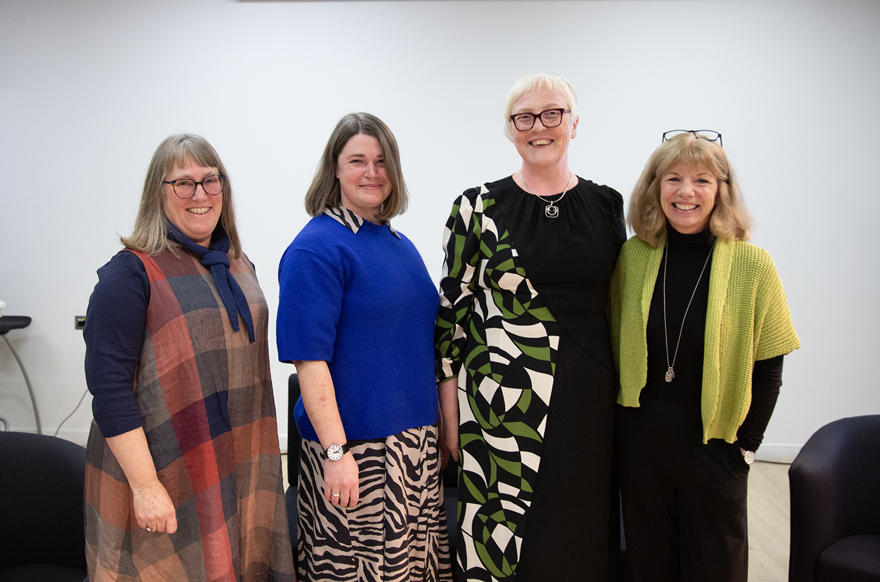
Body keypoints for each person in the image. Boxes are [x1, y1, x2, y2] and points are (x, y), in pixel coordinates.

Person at [435, 74, 626, 581]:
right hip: (504, 408)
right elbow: (451, 317)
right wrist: (449, 414)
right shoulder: (476, 207)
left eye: (552, 113)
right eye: (524, 117)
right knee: (502, 541)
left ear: (575, 123)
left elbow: (618, 303)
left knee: (579, 532)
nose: (539, 127)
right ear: (510, 129)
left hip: (589, 401)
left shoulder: (608, 205)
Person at [83, 134, 295, 581]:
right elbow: (109, 391)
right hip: (163, 472)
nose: (200, 195)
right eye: (183, 183)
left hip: (238, 461)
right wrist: (145, 488)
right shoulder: (130, 273)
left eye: (210, 181)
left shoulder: (238, 263)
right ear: (157, 194)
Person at [610, 130, 801, 582]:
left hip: (716, 442)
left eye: (703, 180)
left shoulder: (754, 265)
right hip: (642, 438)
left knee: (716, 564)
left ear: (722, 191)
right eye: (673, 178)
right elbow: (612, 341)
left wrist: (747, 447)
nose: (686, 192)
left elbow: (770, 366)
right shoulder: (633, 256)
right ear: (655, 187)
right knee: (648, 561)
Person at [276, 112, 452, 581]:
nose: (371, 172)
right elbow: (309, 362)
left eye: (381, 161)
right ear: (333, 168)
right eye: (357, 160)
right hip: (358, 454)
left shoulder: (399, 244)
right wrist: (336, 455)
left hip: (414, 449)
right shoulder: (316, 249)